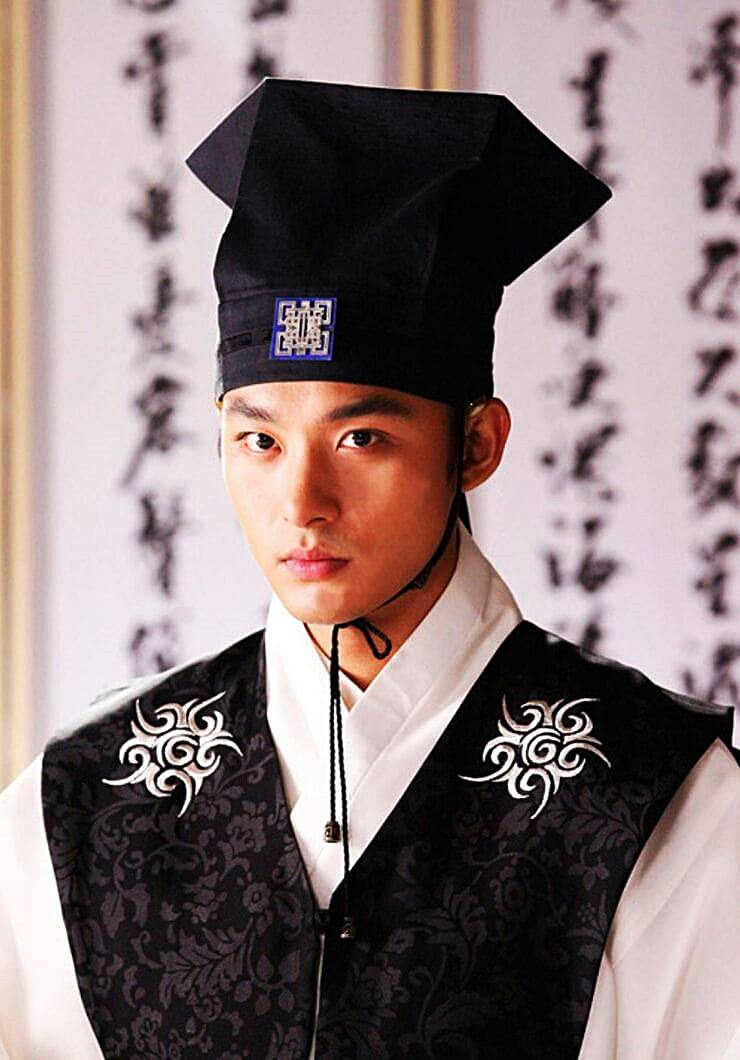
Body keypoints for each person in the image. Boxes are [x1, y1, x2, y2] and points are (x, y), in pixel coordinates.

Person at [0, 77, 738, 1060]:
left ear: (475, 444)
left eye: (360, 439)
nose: (301, 502)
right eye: (260, 441)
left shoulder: (654, 796)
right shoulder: (84, 801)